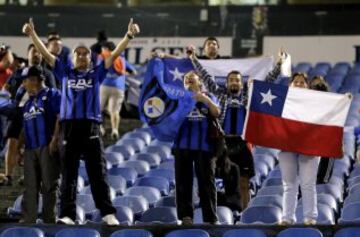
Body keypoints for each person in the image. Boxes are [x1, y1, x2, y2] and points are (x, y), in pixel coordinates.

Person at [23, 17, 140, 225]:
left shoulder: (97, 73)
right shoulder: (64, 72)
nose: (82, 56)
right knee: (69, 174)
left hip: (91, 127)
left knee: (98, 173)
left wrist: (128, 36)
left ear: (91, 58)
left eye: (86, 54)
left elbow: (115, 54)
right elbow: (46, 55)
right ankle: (67, 214)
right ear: (73, 58)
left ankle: (107, 213)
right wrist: (32, 35)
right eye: (78, 54)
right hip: (68, 128)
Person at [190, 50, 283, 210]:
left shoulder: (250, 95)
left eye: (237, 81)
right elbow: (204, 76)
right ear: (226, 83)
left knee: (244, 181)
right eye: (231, 80)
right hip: (222, 142)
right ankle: (213, 212)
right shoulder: (219, 95)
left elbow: (268, 81)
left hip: (242, 142)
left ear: (242, 83)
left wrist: (279, 65)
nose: (234, 83)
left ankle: (244, 214)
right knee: (213, 178)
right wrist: (194, 59)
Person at [0, 44, 57, 186]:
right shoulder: (18, 72)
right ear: (28, 53)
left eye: (39, 52)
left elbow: (52, 93)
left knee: (31, 144)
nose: (37, 54)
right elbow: (6, 88)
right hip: (17, 111)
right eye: (34, 51)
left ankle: (30, 175)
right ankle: (8, 175)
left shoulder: (47, 74)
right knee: (12, 142)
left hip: (37, 112)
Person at [173, 70, 220, 225]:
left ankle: (211, 218)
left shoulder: (208, 96)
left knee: (207, 183)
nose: (189, 81)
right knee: (182, 183)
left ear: (199, 82)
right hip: (182, 145)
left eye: (192, 79)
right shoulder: (177, 97)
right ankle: (185, 217)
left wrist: (205, 99)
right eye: (186, 79)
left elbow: (217, 112)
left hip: (204, 147)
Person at [19, 65, 61, 223]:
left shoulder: (53, 94)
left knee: (49, 185)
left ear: (34, 79)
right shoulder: (28, 103)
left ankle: (50, 220)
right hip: (30, 148)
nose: (23, 85)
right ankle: (29, 221)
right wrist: (19, 148)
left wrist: (55, 139)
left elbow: (60, 117)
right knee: (30, 187)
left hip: (47, 145)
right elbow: (24, 127)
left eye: (25, 81)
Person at [278, 72, 320, 225]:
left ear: (307, 86)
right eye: (296, 82)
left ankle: (310, 218)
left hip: (310, 147)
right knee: (289, 184)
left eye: (302, 82)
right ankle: (287, 218)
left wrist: (344, 100)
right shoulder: (281, 101)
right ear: (290, 85)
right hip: (287, 147)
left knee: (308, 184)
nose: (299, 84)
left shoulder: (316, 102)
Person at [99, 41, 136, 139]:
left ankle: (100, 128)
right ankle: (114, 130)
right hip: (118, 88)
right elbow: (134, 72)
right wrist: (124, 75)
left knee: (99, 109)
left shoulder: (102, 57)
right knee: (114, 111)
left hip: (104, 86)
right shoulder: (122, 58)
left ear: (106, 49)